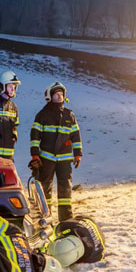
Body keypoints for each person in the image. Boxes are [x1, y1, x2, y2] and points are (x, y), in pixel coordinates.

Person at [28, 81, 83, 221]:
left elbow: (76, 136)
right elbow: (34, 137)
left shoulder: (69, 115)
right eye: (56, 94)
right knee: (45, 189)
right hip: (47, 159)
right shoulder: (42, 115)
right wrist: (35, 155)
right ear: (49, 96)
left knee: (65, 190)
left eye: (61, 94)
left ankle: (66, 219)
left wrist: (78, 154)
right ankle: (45, 219)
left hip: (65, 160)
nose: (59, 97)